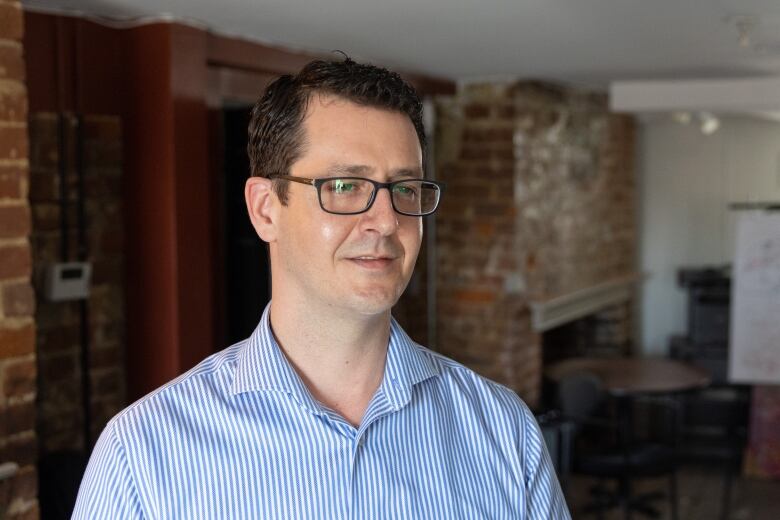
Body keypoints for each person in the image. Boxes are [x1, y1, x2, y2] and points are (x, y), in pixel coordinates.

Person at [73, 57, 570, 519]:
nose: (386, 220)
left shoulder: (504, 431)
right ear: (266, 208)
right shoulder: (143, 453)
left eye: (404, 188)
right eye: (345, 186)